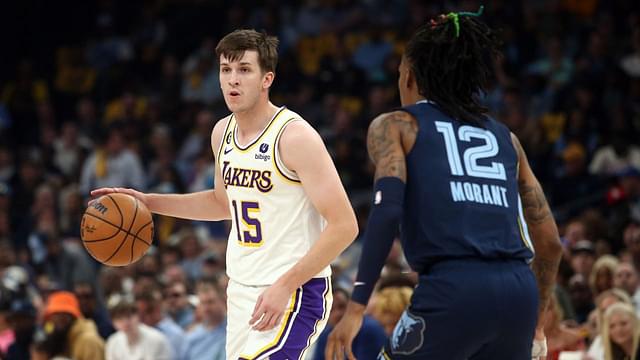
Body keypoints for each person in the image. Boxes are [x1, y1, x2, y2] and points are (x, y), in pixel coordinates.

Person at [91, 29, 358, 359]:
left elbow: (345, 225)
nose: (233, 80)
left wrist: (285, 285)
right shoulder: (222, 132)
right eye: (226, 69)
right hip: (242, 290)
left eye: (244, 70)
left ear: (266, 79)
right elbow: (221, 203)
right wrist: (148, 202)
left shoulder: (295, 137)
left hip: (294, 292)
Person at [326, 8, 563, 360]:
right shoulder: (507, 139)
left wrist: (357, 305)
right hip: (519, 294)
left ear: (411, 77)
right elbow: (551, 243)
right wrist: (538, 325)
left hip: (454, 289)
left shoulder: (396, 125)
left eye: (400, 72)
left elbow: (388, 209)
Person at [105, 294, 173, 360]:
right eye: (119, 318)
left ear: (137, 315)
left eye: (128, 316)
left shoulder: (157, 340)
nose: (125, 322)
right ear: (112, 322)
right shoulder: (113, 342)